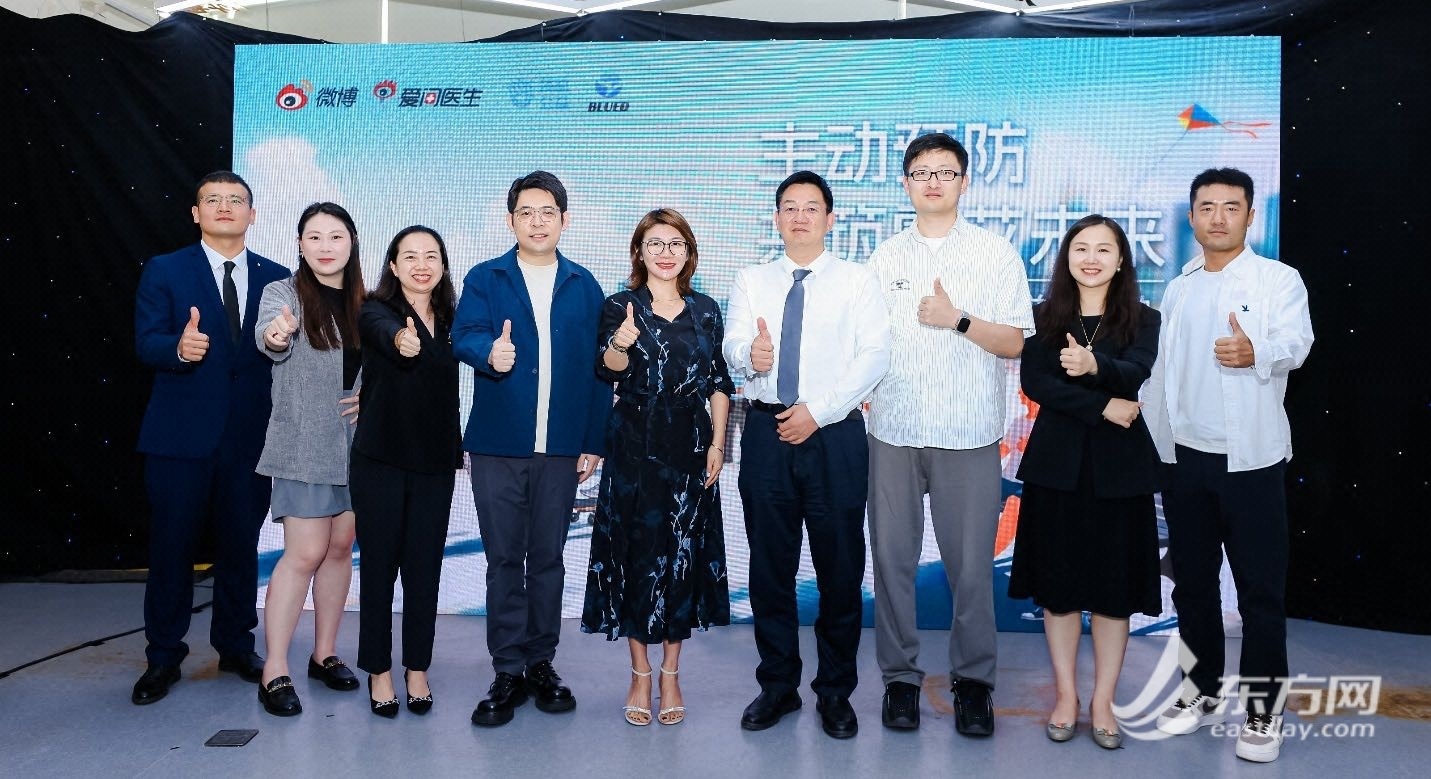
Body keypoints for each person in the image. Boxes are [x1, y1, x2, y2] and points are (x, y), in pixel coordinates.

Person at [865, 132, 1034, 736]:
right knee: (892, 563)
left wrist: (957, 319)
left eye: (945, 171)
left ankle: (973, 684)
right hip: (894, 430)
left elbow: (1014, 342)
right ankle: (900, 680)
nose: (933, 182)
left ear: (964, 182)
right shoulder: (884, 257)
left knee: (970, 570)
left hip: (969, 433)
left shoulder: (995, 253)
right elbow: (864, 343)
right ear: (905, 184)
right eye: (921, 172)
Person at [1145, 168, 1313, 763]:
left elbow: (1297, 343)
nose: (1218, 217)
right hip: (1184, 460)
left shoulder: (1277, 279)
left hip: (1251, 463)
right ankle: (1201, 689)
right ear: (1192, 217)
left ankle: (1264, 710)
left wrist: (1256, 350)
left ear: (1249, 216)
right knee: (1192, 587)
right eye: (1207, 207)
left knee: (1260, 593)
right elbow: (1163, 374)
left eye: (1231, 207)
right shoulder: (1179, 287)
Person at [723, 170, 891, 740]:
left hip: (834, 433)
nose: (799, 217)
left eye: (811, 207)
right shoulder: (752, 279)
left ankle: (836, 692)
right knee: (770, 568)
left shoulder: (857, 281)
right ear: (776, 219)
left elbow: (874, 355)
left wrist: (817, 411)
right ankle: (777, 685)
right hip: (767, 431)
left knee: (840, 568)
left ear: (830, 218)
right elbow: (733, 344)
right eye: (789, 207)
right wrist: (750, 354)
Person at [453, 171, 613, 727]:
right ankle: (507, 669)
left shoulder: (584, 285)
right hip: (497, 446)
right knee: (503, 559)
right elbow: (463, 334)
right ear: (510, 221)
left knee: (547, 558)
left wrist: (592, 440)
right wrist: (487, 353)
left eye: (548, 212)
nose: (537, 222)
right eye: (526, 212)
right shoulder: (486, 277)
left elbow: (600, 370)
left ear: (565, 220)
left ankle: (541, 663)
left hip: (561, 448)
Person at [131, 170, 290, 704]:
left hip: (251, 438)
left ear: (253, 213)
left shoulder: (278, 278)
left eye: (236, 199)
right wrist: (178, 349)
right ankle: (162, 656)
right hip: (179, 438)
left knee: (241, 547)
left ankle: (236, 646)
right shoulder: (165, 269)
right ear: (196, 213)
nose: (225, 206)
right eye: (213, 199)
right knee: (171, 547)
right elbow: (146, 342)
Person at [1006, 215, 1162, 750]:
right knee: (1060, 592)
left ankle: (1103, 702)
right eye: (1081, 248)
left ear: (1120, 261)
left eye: (1103, 249)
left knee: (1115, 596)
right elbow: (1038, 383)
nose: (1091, 258)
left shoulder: (1144, 318)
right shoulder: (1042, 317)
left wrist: (1094, 364)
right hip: (1057, 469)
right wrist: (1102, 407)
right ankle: (1067, 697)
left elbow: (1137, 371)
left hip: (1121, 473)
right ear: (1066, 257)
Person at [581, 208, 734, 727]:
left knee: (681, 556)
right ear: (639, 252)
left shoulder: (707, 310)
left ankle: (671, 673)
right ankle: (640, 673)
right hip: (634, 444)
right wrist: (620, 344)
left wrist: (718, 444)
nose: (666, 253)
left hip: (690, 444)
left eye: (676, 244)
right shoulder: (618, 306)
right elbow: (608, 369)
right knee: (637, 555)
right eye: (655, 244)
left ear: (688, 253)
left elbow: (718, 382)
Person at [252, 202, 365, 716]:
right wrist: (276, 334)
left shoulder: (369, 301)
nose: (325, 246)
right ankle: (275, 668)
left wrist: (371, 397)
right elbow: (270, 338)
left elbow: (382, 367)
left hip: (359, 449)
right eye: (314, 237)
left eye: (335, 236)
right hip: (304, 446)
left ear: (352, 242)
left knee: (340, 548)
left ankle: (324, 654)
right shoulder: (283, 293)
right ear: (299, 244)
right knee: (305, 553)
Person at [350, 226, 462, 718]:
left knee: (424, 572)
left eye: (431, 256)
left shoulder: (455, 319)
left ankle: (417, 668)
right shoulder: (375, 309)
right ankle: (378, 670)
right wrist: (401, 338)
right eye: (410, 256)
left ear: (443, 266)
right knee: (379, 570)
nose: (421, 265)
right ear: (393, 266)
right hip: (381, 461)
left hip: (435, 464)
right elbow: (380, 331)